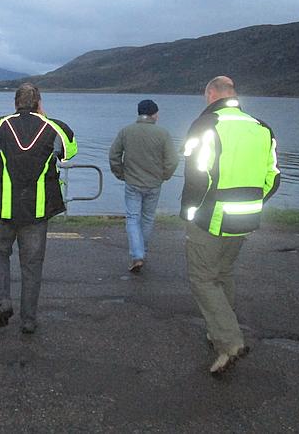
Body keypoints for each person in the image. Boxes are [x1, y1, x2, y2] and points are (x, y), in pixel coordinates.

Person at [180, 76, 280, 375]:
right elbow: (273, 175)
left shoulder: (206, 125)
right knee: (223, 274)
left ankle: (229, 341)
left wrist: (189, 212)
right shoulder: (261, 128)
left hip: (211, 216)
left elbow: (198, 175)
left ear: (210, 93)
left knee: (202, 279)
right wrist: (254, 199)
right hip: (246, 215)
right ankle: (217, 331)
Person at [0, 83, 78, 334]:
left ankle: (3, 302)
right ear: (39, 103)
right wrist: (45, 118)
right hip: (37, 212)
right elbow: (69, 154)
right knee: (32, 264)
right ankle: (28, 320)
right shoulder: (56, 128)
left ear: (14, 103)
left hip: (1, 208)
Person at [109, 99, 178, 273]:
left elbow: (114, 155)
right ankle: (141, 252)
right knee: (147, 219)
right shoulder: (163, 134)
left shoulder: (126, 132)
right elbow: (173, 160)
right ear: (154, 114)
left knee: (133, 218)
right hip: (154, 183)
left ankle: (137, 254)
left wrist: (121, 174)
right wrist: (164, 175)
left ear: (139, 114)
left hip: (132, 182)